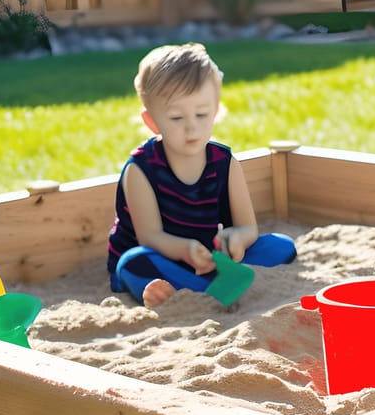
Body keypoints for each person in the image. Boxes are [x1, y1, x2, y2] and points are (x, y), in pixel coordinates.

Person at [107, 42, 296, 307]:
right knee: (133, 263)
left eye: (201, 114)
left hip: (208, 258)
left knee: (281, 246)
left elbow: (247, 227)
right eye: (176, 118)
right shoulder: (140, 169)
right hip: (161, 256)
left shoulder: (224, 163)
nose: (191, 127)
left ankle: (203, 286)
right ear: (152, 122)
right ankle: (198, 291)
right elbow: (150, 237)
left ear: (216, 111)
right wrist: (185, 250)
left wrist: (236, 240)